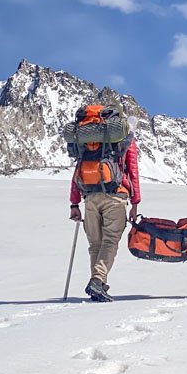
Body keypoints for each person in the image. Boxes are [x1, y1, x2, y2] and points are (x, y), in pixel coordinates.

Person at [69, 126, 141, 303]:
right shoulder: (124, 134)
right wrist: (135, 202)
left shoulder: (88, 137)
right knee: (110, 241)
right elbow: (133, 170)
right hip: (116, 195)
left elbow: (78, 170)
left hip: (90, 196)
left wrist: (74, 203)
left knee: (95, 244)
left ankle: (99, 285)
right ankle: (97, 280)